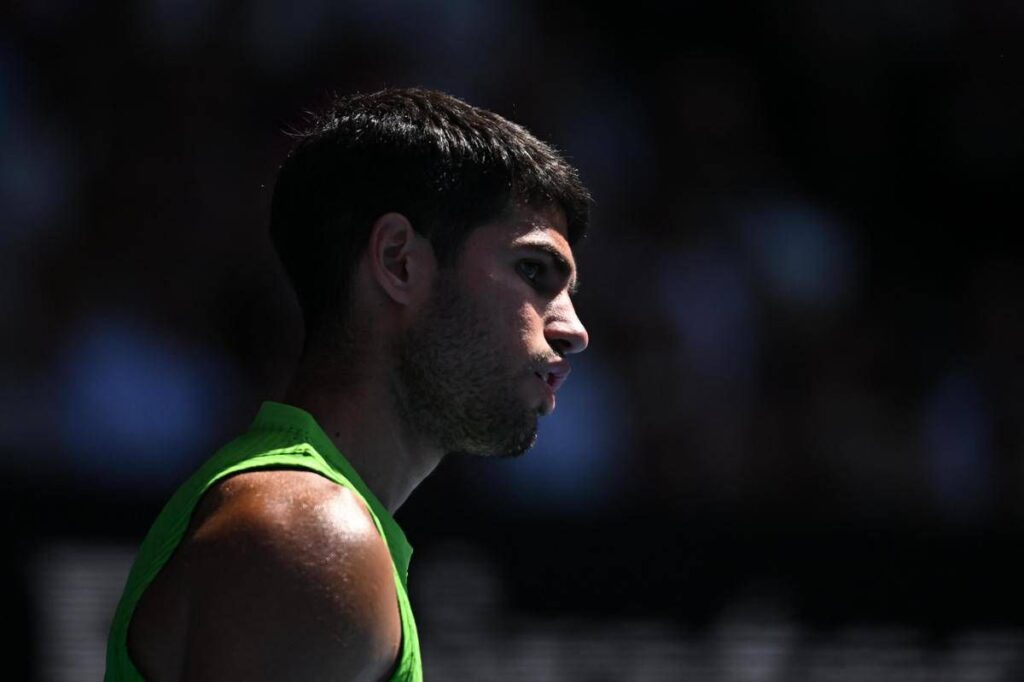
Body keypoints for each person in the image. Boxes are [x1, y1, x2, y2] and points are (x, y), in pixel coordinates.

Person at [105, 87, 591, 681]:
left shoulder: (302, 520)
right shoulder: (306, 531)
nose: (574, 330)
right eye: (533, 270)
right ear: (399, 261)